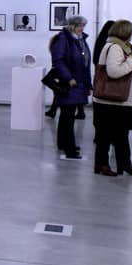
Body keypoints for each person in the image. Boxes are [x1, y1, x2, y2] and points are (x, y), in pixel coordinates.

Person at [93, 20, 132, 176]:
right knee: (106, 136)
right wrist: (131, 63)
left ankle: (125, 164)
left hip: (117, 101)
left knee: (121, 135)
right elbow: (113, 72)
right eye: (130, 31)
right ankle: (103, 165)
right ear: (124, 32)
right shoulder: (115, 47)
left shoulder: (121, 46)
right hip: (111, 101)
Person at [50, 15, 92, 159]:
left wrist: (88, 84)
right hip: (69, 83)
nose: (82, 28)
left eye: (83, 26)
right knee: (68, 117)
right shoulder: (63, 39)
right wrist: (68, 78)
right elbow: (58, 61)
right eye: (80, 25)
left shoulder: (80, 39)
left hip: (78, 82)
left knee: (67, 115)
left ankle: (63, 143)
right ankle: (69, 149)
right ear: (72, 26)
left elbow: (85, 64)